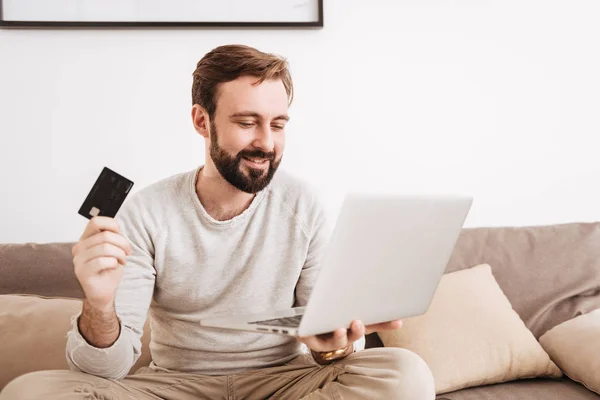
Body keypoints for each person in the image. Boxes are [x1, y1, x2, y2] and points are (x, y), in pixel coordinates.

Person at [0, 44, 435, 400]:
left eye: (278, 124)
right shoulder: (147, 212)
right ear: (201, 121)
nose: (266, 142)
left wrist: (334, 345)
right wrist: (97, 304)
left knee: (406, 374)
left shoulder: (304, 206)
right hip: (173, 385)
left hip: (283, 382)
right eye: (247, 123)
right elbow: (107, 369)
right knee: (29, 393)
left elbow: (327, 343)